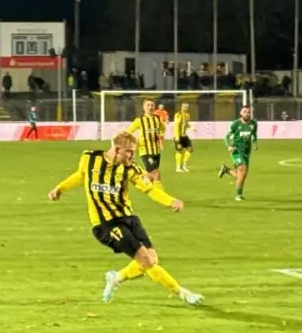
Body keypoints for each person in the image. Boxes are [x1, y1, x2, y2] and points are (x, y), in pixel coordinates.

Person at [47, 131, 203, 306]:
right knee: (146, 260)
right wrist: (59, 188)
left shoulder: (131, 169)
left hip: (129, 218)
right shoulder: (89, 158)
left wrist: (170, 201)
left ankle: (116, 278)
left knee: (151, 260)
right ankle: (183, 293)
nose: (132, 155)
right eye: (129, 151)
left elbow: (149, 190)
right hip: (105, 224)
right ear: (117, 149)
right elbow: (81, 175)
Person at [217, 105, 259, 201]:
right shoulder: (235, 124)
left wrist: (255, 144)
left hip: (246, 152)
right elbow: (227, 137)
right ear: (241, 113)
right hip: (236, 150)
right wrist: (229, 146)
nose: (247, 114)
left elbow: (254, 135)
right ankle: (238, 195)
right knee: (243, 170)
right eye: (245, 111)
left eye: (248, 112)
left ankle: (226, 170)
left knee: (241, 175)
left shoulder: (253, 124)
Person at [124, 98, 165, 183]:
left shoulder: (158, 119)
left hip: (156, 151)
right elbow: (128, 131)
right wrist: (133, 142)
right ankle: (161, 194)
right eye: (148, 105)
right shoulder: (139, 120)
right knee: (156, 173)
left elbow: (162, 129)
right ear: (143, 107)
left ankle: (142, 179)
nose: (150, 107)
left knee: (150, 175)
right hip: (145, 151)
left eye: (152, 105)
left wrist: (161, 136)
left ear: (155, 107)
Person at [172, 103, 193, 172]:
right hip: (178, 136)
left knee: (190, 149)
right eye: (184, 107)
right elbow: (176, 126)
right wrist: (177, 137)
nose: (186, 108)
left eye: (187, 107)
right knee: (179, 150)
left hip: (184, 135)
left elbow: (186, 124)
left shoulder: (187, 115)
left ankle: (184, 165)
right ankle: (178, 167)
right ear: (181, 107)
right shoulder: (178, 115)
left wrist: (191, 127)